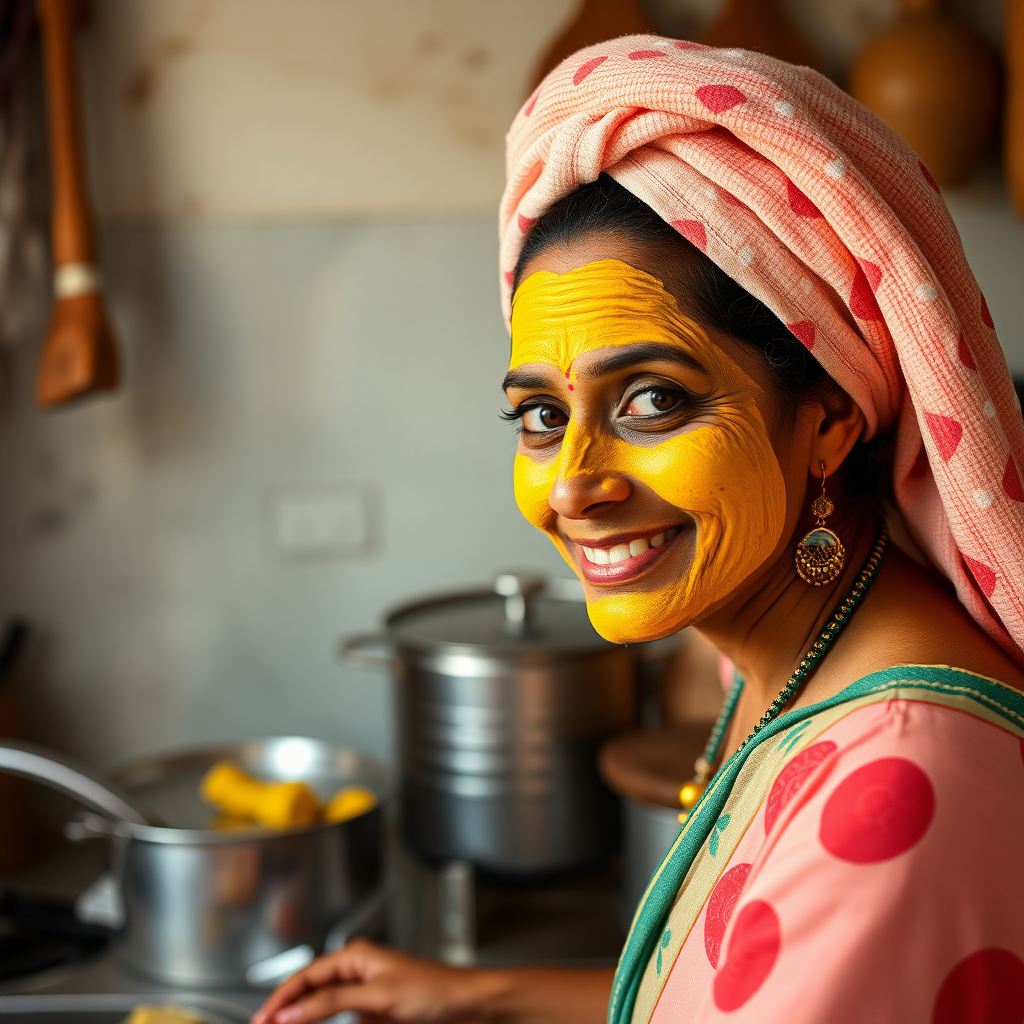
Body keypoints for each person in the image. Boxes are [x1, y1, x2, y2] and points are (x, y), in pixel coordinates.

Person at [254, 35, 1024, 1024]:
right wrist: (481, 993)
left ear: (828, 416)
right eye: (539, 416)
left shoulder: (900, 778)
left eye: (652, 400)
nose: (573, 485)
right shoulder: (788, 660)